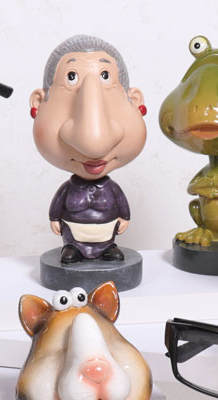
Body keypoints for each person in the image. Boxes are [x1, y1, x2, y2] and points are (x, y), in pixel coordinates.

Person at [30, 35, 146, 262]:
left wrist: (124, 217)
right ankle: (73, 248)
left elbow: (122, 206)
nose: (93, 147)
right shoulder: (68, 189)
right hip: (73, 236)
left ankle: (107, 248)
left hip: (106, 236)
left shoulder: (112, 189)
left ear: (135, 101)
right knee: (71, 253)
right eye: (71, 77)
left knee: (111, 251)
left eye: (105, 76)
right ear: (38, 104)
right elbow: (57, 206)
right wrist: (54, 218)